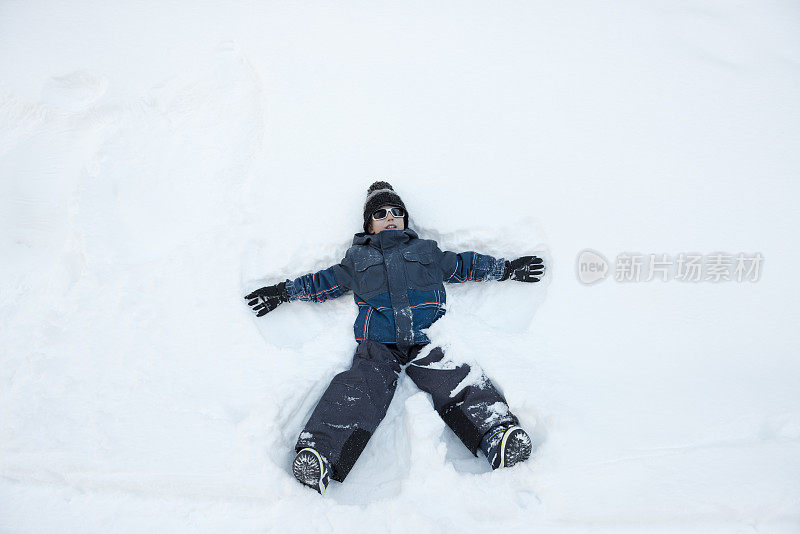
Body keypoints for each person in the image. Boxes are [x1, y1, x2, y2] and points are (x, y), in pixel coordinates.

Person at [245, 182, 544, 494]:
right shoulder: (357, 260)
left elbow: (466, 265)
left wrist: (506, 269)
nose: (390, 217)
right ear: (369, 224)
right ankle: (321, 456)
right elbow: (322, 283)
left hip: (426, 337)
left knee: (457, 378)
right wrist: (283, 292)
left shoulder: (426, 252)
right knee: (357, 390)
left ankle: (497, 435)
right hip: (378, 344)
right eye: (381, 212)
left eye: (396, 212)